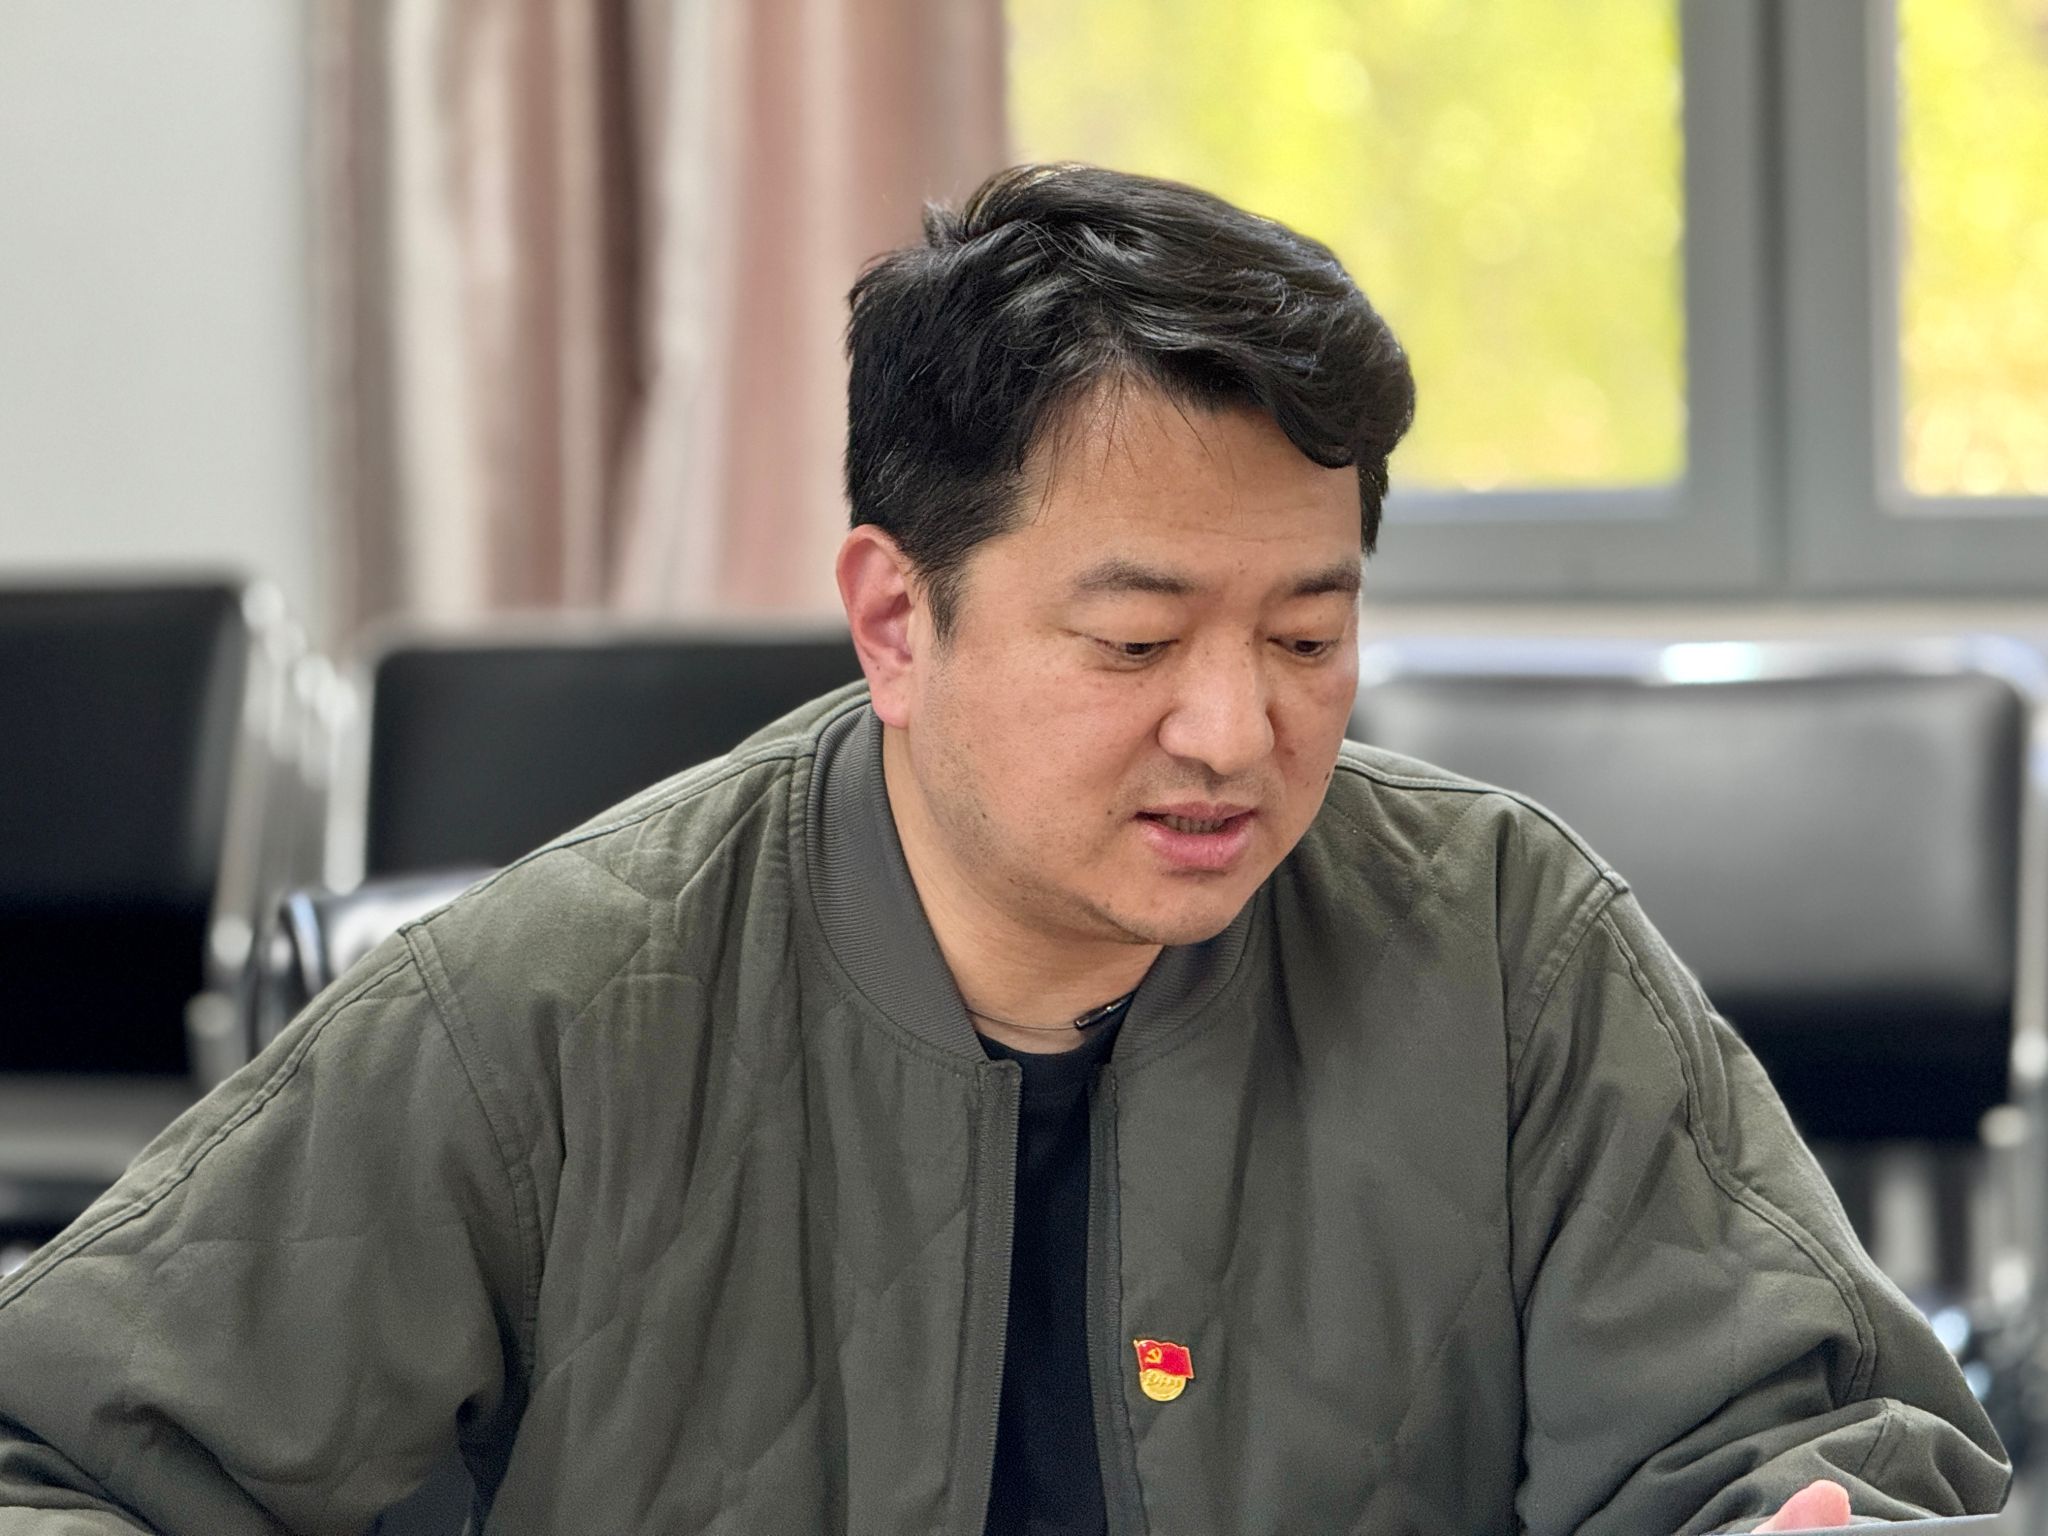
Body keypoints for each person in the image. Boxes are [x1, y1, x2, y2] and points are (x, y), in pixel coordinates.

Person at [0, 164, 2009, 1535]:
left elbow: (1806, 1437)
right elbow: (62, 1459)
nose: (1235, 732)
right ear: (896, 618)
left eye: (1307, 637)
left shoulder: (1506, 950)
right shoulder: (535, 1013)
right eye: (1135, 643)